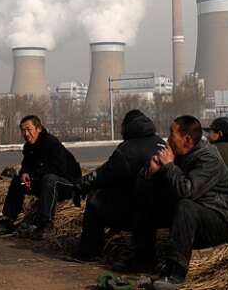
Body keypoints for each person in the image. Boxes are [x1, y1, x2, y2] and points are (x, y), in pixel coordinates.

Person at [118, 115, 228, 290]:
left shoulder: (208, 158)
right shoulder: (178, 154)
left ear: (187, 140)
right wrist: (150, 173)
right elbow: (149, 187)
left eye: (171, 135)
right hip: (193, 216)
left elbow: (187, 191)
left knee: (185, 205)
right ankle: (142, 261)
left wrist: (169, 167)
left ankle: (175, 273)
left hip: (221, 219)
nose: (167, 140)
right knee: (146, 201)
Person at [68, 109, 164, 261]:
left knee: (96, 199)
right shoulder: (160, 142)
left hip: (141, 212)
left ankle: (89, 251)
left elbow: (103, 175)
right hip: (164, 211)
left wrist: (80, 185)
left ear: (126, 126)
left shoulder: (128, 149)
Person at [0, 115, 81, 239]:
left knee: (49, 179)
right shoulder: (29, 147)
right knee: (18, 181)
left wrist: (33, 177)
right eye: (23, 130)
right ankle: (8, 219)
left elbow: (58, 169)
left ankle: (46, 223)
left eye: (29, 129)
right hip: (42, 183)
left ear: (38, 128)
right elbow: (26, 165)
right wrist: (25, 174)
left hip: (66, 184)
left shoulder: (52, 144)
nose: (26, 134)